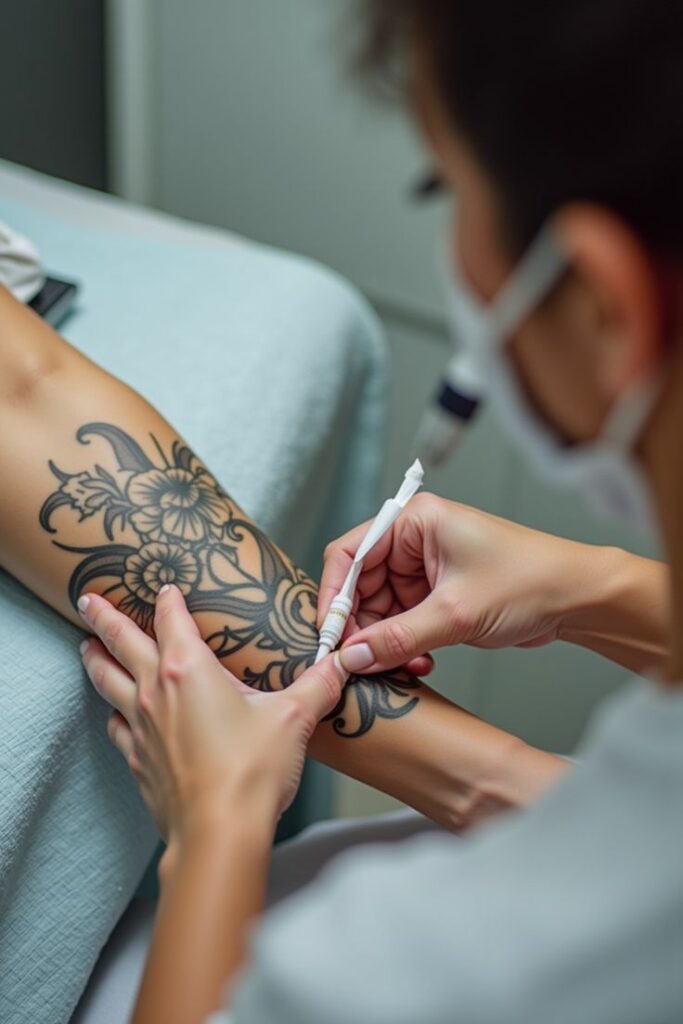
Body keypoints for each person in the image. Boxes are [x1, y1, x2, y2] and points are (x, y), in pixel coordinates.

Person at [5, 1, 683, 1021]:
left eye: (441, 187)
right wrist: (609, 591)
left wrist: (218, 827)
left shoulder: (429, 976)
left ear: (599, 303)